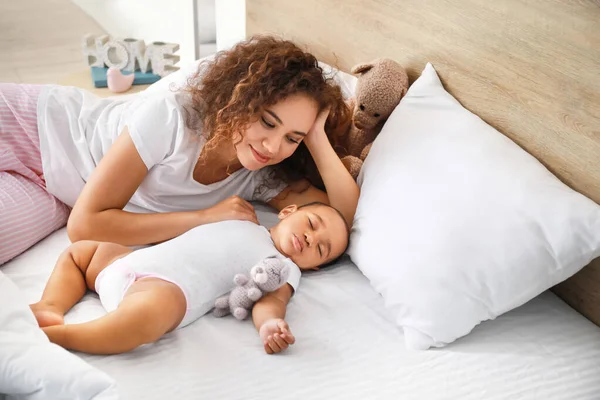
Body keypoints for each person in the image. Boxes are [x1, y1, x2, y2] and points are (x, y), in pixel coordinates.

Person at [0, 35, 359, 265]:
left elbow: (341, 216)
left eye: (291, 138)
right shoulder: (174, 117)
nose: (272, 146)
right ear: (241, 99)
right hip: (34, 126)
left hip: (61, 192)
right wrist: (204, 218)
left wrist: (315, 138)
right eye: (267, 122)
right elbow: (86, 226)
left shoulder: (258, 175)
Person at [30, 202, 349, 355]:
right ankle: (51, 306)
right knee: (81, 252)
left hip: (167, 289)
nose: (310, 238)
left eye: (321, 248)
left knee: (146, 317)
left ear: (314, 268)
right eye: (312, 223)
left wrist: (269, 325)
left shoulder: (283, 266)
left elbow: (270, 302)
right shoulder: (246, 219)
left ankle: (61, 336)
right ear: (287, 211)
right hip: (130, 260)